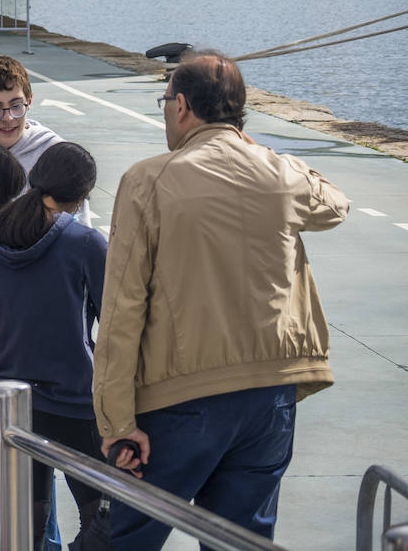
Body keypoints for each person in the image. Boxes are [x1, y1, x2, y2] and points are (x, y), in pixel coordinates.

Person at [95, 53, 348, 548]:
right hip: (269, 397)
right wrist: (246, 144)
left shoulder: (148, 181)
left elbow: (122, 309)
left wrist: (117, 421)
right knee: (242, 540)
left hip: (179, 400)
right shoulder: (279, 173)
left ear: (182, 106)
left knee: (130, 536)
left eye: (165, 101)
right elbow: (335, 203)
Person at [0, 142, 108, 547]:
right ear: (83, 195)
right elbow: (117, 325)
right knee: (105, 516)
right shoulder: (86, 243)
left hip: (12, 404)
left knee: (21, 529)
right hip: (77, 403)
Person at [0, 54, 90, 222]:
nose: (8, 118)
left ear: (30, 101)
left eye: (16, 106)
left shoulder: (56, 157)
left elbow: (79, 229)